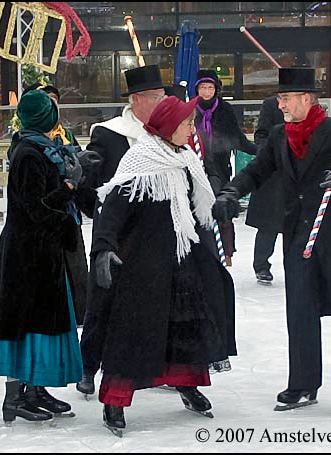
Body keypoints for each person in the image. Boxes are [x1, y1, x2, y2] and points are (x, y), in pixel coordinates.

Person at [212, 67, 331, 415]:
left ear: (306, 98)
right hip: (298, 235)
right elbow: (256, 171)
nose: (280, 103)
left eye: (285, 98)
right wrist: (231, 193)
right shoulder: (279, 135)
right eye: (280, 98)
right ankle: (304, 383)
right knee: (300, 312)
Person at [91, 95, 237, 436]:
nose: (191, 128)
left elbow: (195, 207)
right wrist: (103, 249)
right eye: (186, 123)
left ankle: (186, 381)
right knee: (134, 332)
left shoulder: (185, 158)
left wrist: (220, 209)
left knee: (187, 326)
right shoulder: (141, 161)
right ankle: (115, 400)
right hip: (144, 264)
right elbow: (111, 210)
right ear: (169, 127)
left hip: (184, 258)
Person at [0, 90, 87, 423]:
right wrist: (66, 189)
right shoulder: (28, 153)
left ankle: (35, 389)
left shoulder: (43, 148)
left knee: (41, 322)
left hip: (44, 251)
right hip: (26, 255)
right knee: (23, 324)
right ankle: (15, 399)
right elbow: (35, 209)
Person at [75, 65, 167, 397]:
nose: (163, 101)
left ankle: (161, 367)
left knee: (155, 301)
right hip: (114, 232)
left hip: (151, 231)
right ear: (138, 99)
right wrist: (85, 169)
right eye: (157, 97)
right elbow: (96, 178)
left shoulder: (165, 132)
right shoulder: (110, 132)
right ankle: (87, 367)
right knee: (102, 300)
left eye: (164, 96)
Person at [21, 83, 92, 327]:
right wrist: (67, 186)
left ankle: (80, 313)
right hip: (48, 226)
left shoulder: (65, 135)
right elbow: (34, 203)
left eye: (55, 100)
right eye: (46, 101)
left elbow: (77, 165)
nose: (53, 106)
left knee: (76, 269)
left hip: (67, 218)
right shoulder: (28, 146)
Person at [194, 69, 257, 266]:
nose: (206, 92)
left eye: (210, 87)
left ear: (216, 89)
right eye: (203, 87)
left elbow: (236, 137)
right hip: (195, 164)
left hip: (219, 167)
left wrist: (260, 151)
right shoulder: (190, 108)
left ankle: (226, 251)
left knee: (221, 206)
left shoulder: (224, 109)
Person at [246, 96, 285, 284]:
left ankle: (300, 265)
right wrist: (268, 153)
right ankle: (261, 265)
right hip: (273, 173)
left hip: (299, 175)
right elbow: (261, 134)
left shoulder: (309, 106)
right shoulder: (271, 105)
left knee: (299, 225)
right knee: (268, 225)